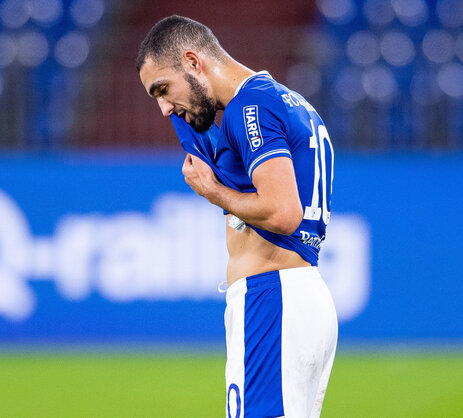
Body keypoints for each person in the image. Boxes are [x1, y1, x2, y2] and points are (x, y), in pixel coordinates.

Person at [137, 16, 338, 418]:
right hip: (299, 296)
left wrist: (215, 193)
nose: (163, 108)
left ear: (193, 62)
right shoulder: (286, 100)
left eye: (163, 89)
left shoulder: (252, 106)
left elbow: (284, 213)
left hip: (272, 298)